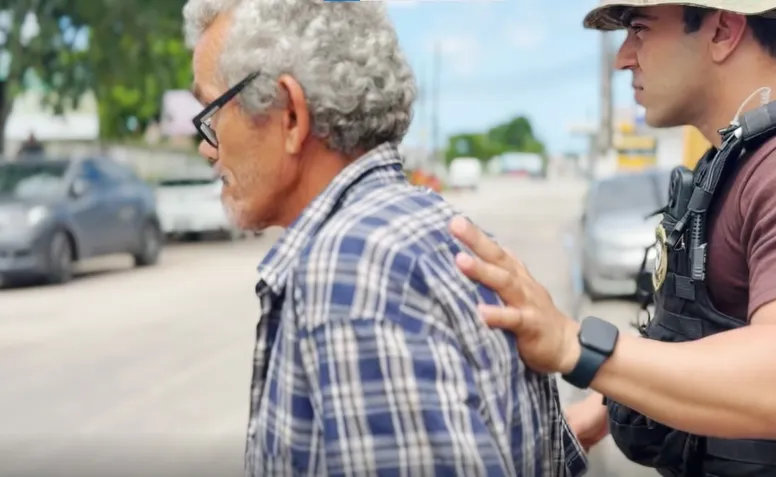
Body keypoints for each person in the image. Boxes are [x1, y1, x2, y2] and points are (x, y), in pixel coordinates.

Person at [449, 1, 776, 476]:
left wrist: (574, 346)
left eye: (640, 30)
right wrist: (600, 411)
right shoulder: (748, 158)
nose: (623, 58)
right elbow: (710, 335)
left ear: (723, 31)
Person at [181, 0, 588, 475]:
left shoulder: (351, 270)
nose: (207, 147)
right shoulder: (435, 227)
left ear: (290, 115)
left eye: (212, 113)